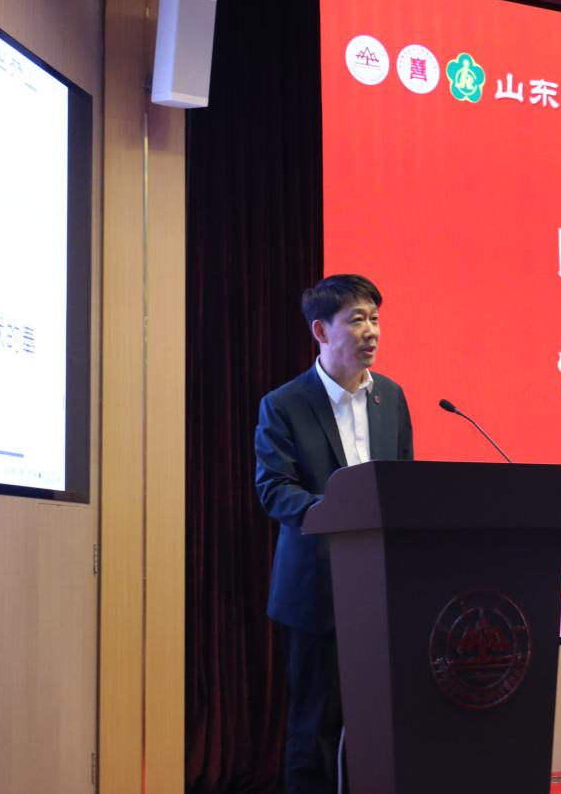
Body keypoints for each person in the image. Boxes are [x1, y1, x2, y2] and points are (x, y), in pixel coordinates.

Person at [254, 274, 414, 793]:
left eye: (375, 319)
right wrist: (339, 510)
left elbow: (405, 482)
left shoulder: (391, 397)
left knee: (382, 724)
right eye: (357, 319)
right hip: (315, 590)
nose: (372, 331)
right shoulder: (284, 404)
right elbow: (275, 490)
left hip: (381, 591)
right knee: (315, 729)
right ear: (321, 331)